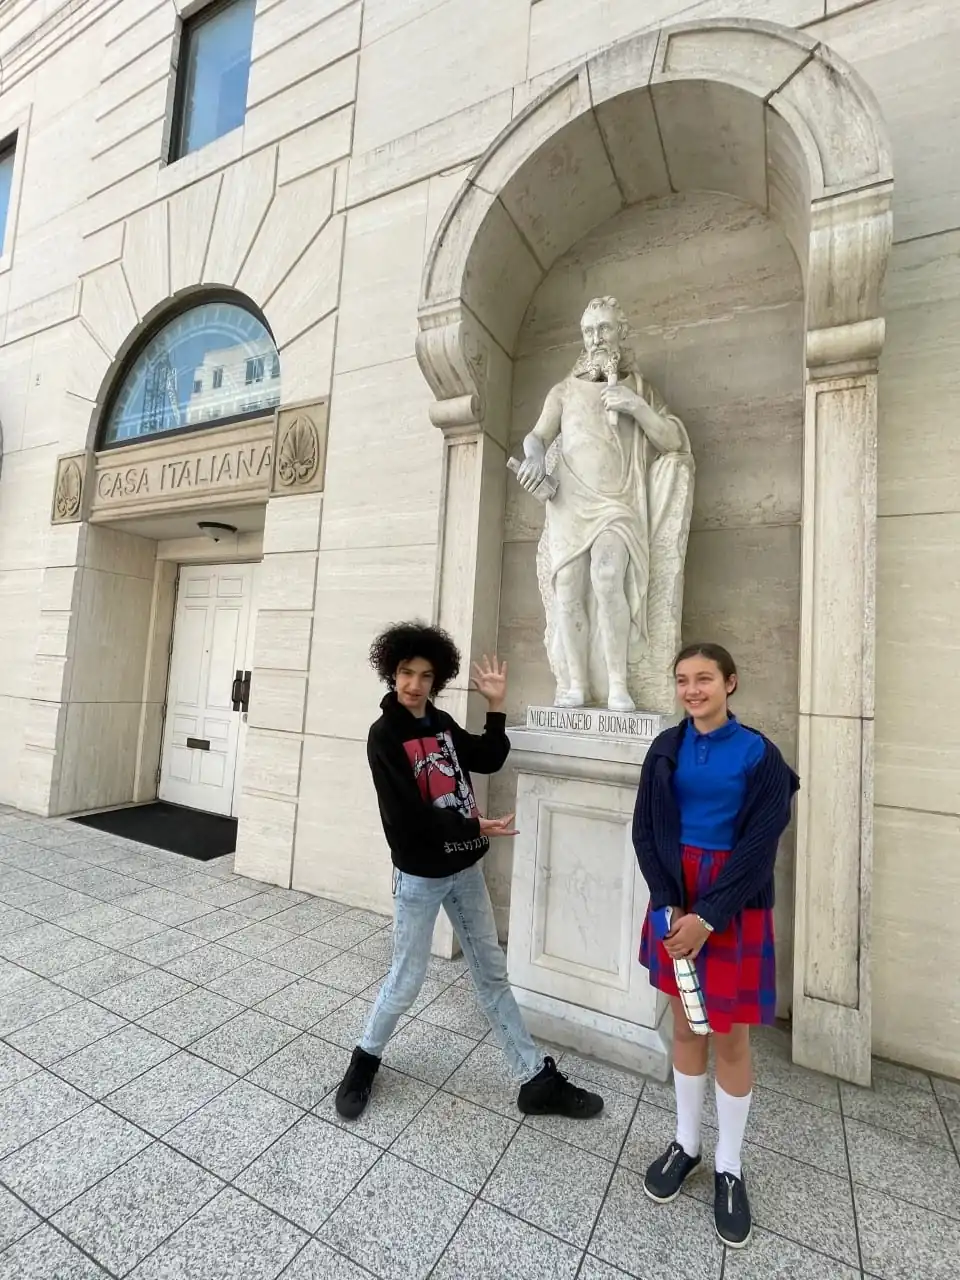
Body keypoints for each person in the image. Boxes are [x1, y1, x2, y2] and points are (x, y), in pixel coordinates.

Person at [334, 621, 604, 1122]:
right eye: (406, 673)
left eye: (425, 675)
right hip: (420, 875)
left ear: (437, 680)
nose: (414, 684)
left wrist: (496, 706)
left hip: (464, 868)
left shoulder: (440, 723)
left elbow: (488, 757)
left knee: (491, 974)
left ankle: (535, 1080)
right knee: (406, 979)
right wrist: (472, 821)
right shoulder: (384, 735)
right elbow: (406, 816)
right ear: (392, 673)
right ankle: (364, 1060)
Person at [632, 643, 799, 1248]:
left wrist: (708, 917)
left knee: (729, 1036)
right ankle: (687, 1144)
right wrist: (670, 902)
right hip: (676, 898)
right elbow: (645, 830)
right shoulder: (664, 748)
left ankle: (730, 1164)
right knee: (684, 1025)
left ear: (730, 683)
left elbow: (760, 847)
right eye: (683, 680)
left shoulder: (761, 755)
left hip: (733, 902)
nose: (692, 690)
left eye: (704, 678)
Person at [515, 296, 693, 713]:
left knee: (609, 576)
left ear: (621, 333)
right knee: (568, 586)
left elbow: (672, 441)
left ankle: (617, 684)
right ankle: (578, 684)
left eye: (605, 329)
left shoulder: (640, 389)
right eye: (589, 331)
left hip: (618, 502)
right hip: (569, 501)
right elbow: (537, 436)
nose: (596, 338)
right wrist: (534, 457)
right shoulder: (563, 391)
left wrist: (636, 406)